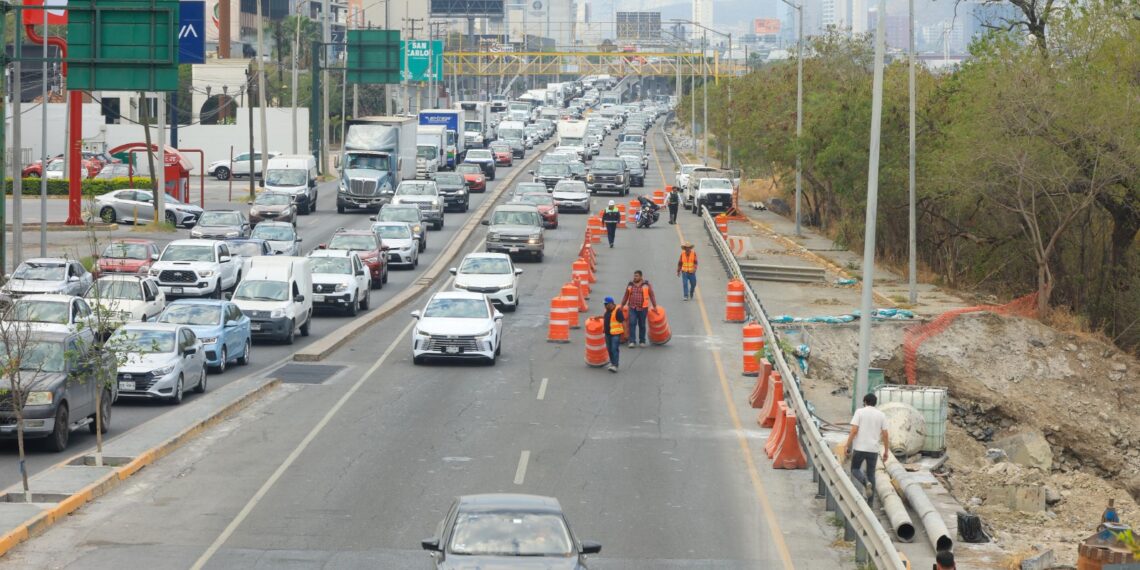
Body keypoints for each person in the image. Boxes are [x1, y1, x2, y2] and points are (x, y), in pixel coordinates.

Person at [843, 393, 890, 506]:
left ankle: (865, 482)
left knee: (855, 469)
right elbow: (885, 434)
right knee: (871, 474)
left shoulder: (859, 412)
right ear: (875, 403)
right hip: (873, 449)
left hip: (860, 448)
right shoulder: (881, 415)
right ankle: (870, 504)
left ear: (865, 401)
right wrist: (886, 451)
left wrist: (847, 445)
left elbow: (854, 430)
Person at [620, 270, 657, 348]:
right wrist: (622, 305)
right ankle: (632, 341)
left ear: (641, 277)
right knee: (632, 323)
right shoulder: (630, 284)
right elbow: (626, 295)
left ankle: (642, 341)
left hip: (643, 308)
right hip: (632, 308)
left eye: (636, 276)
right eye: (634, 276)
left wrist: (654, 306)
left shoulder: (646, 284)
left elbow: (652, 295)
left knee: (642, 324)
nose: (635, 277)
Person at [601, 297, 624, 373]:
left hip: (615, 334)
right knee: (609, 349)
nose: (604, 305)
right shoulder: (607, 311)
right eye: (604, 304)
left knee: (614, 349)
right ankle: (612, 362)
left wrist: (625, 335)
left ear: (611, 304)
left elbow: (622, 321)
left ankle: (615, 365)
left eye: (606, 304)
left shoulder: (618, 311)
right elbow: (607, 318)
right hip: (608, 334)